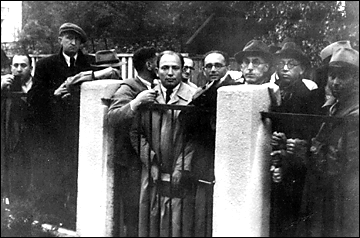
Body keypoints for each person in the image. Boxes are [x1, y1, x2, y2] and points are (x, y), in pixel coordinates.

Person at [26, 22, 94, 224]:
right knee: (54, 174)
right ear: (60, 40)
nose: (73, 43)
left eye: (77, 40)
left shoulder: (88, 65)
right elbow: (34, 97)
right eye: (69, 38)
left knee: (77, 174)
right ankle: (52, 217)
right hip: (53, 131)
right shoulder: (46, 65)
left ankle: (76, 216)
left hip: (80, 129)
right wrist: (53, 94)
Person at [296, 47, 359, 237]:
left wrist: (308, 151)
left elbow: (343, 160)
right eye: (332, 76)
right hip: (330, 189)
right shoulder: (335, 108)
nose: (335, 82)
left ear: (356, 80)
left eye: (343, 77)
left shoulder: (355, 113)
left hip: (347, 191)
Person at [133, 50, 196, 237]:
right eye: (165, 68)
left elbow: (196, 138)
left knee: (178, 224)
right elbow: (136, 132)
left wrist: (181, 167)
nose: (170, 73)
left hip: (181, 173)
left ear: (182, 70)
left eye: (175, 68)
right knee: (151, 222)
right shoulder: (147, 98)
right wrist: (150, 162)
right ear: (157, 70)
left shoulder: (194, 97)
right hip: (152, 172)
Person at [180, 50, 243, 237]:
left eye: (218, 65)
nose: (213, 69)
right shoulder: (204, 89)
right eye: (209, 66)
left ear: (228, 67)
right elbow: (186, 120)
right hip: (204, 154)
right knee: (202, 210)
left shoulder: (233, 89)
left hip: (222, 155)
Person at [269, 42, 323, 237]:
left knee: (293, 218)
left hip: (298, 167)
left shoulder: (310, 96)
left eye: (291, 64)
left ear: (302, 69)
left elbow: (312, 132)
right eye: (281, 64)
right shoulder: (273, 92)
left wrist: (299, 144)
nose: (284, 69)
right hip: (277, 162)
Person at [107, 46, 158, 237]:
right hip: (131, 162)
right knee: (133, 212)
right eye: (157, 60)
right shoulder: (128, 87)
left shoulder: (157, 86)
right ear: (150, 64)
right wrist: (136, 102)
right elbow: (112, 117)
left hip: (151, 159)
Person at [1, 54, 33, 198]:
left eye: (23, 65)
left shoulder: (37, 85)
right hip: (12, 137)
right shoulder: (5, 87)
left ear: (31, 68)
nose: (19, 69)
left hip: (32, 137)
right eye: (15, 65)